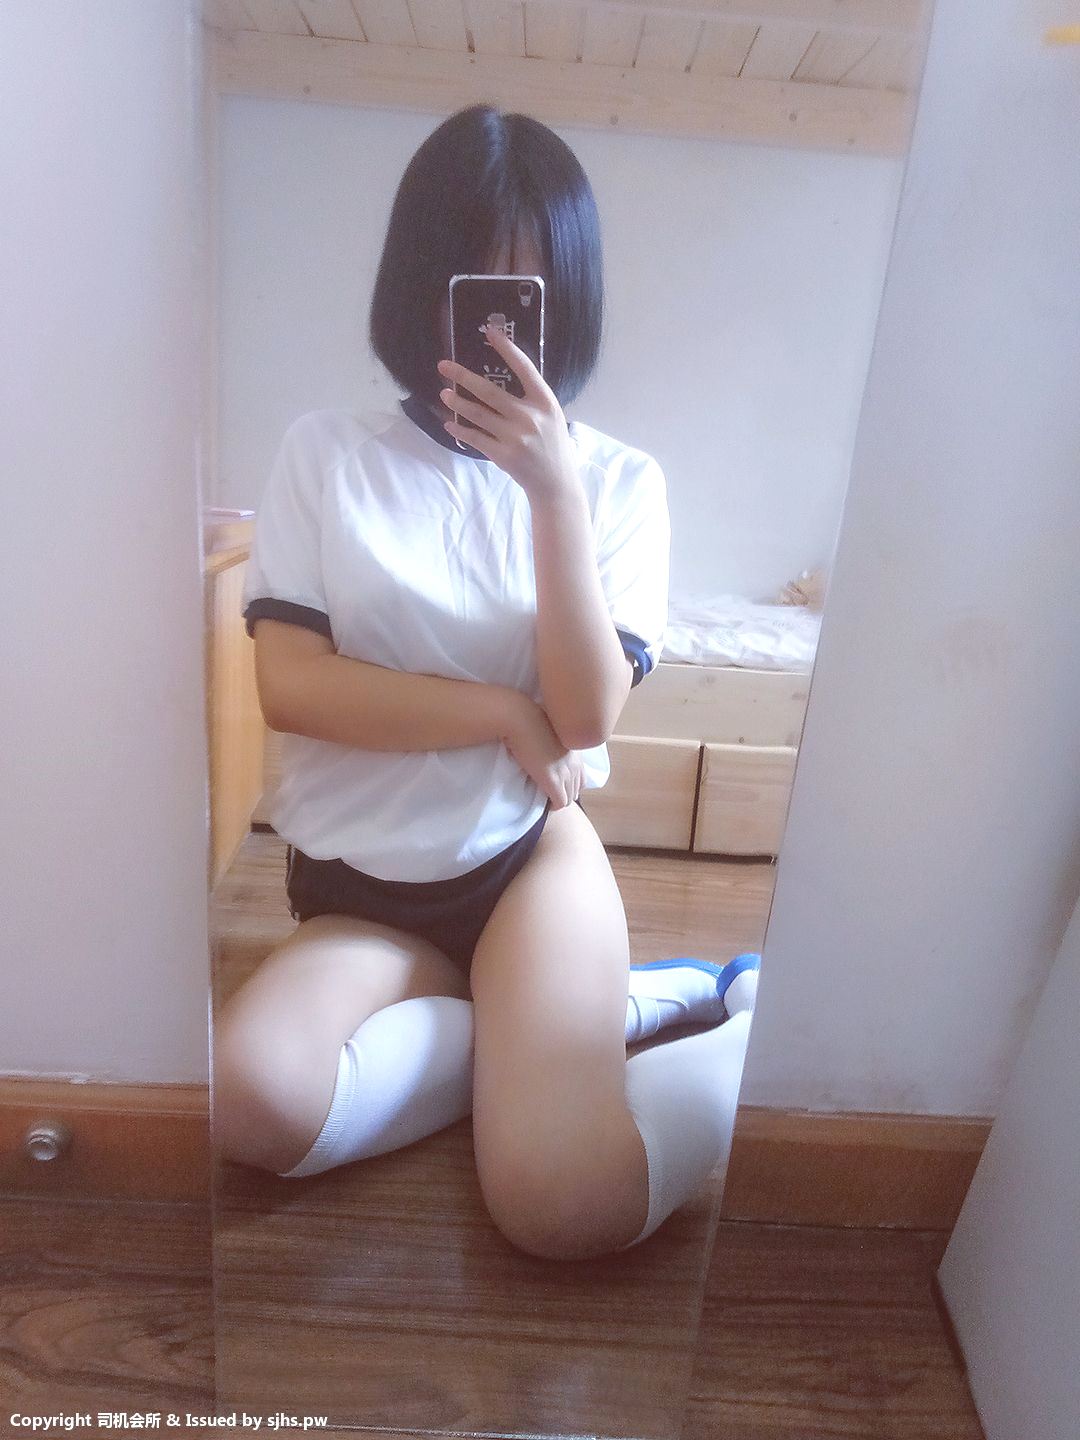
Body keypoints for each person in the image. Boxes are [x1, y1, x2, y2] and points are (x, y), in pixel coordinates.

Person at [213, 104, 761, 1262]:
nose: (503, 332)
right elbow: (293, 686)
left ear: (572, 301)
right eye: (473, 289)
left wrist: (552, 495)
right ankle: (584, 1020)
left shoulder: (619, 484)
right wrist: (500, 713)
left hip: (526, 863)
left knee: (565, 1206)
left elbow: (586, 715)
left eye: (532, 297)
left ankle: (740, 1020)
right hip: (362, 892)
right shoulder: (328, 454)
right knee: (252, 1103)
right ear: (418, 287)